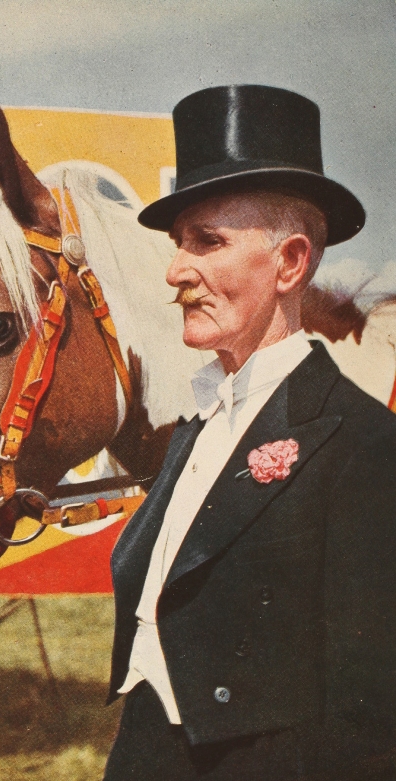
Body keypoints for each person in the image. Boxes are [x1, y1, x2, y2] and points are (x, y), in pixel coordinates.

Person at [103, 85, 396, 781]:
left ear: (291, 263)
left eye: (207, 241)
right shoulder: (198, 423)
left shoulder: (363, 445)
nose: (176, 270)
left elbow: (371, 718)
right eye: (179, 245)